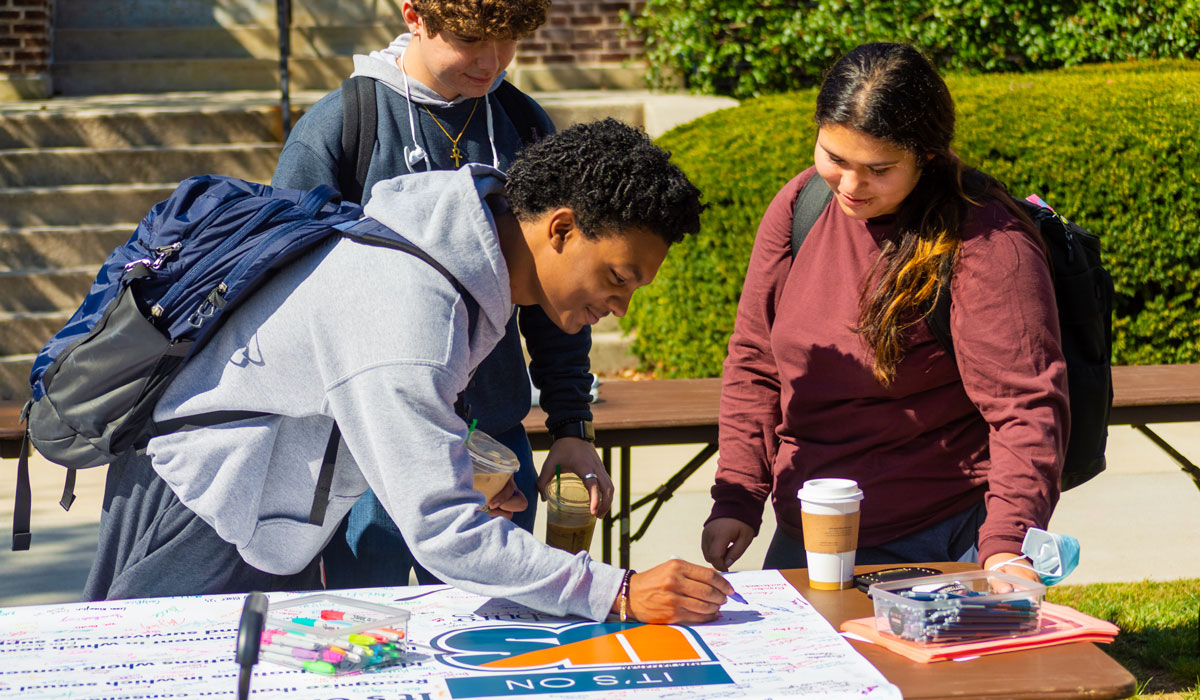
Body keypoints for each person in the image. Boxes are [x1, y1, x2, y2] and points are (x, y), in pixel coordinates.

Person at [83, 119, 731, 623]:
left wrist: (445, 468)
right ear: (560, 228)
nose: (620, 306)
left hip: (258, 512)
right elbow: (443, 535)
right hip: (202, 506)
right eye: (619, 277)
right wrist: (617, 590)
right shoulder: (413, 299)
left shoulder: (460, 257)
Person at [701, 43, 1069, 582]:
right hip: (807, 526)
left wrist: (1007, 544)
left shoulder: (988, 242)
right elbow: (757, 363)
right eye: (835, 158)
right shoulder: (801, 203)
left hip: (935, 535)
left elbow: (1024, 406)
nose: (851, 186)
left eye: (878, 169)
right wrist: (737, 495)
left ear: (928, 156)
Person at [271, 0, 607, 588]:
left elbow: (557, 297)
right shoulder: (343, 126)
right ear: (413, 16)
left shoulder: (524, 123)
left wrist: (572, 427)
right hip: (370, 462)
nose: (491, 61)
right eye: (471, 39)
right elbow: (291, 304)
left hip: (498, 450)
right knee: (368, 643)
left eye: (507, 43)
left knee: (493, 645)